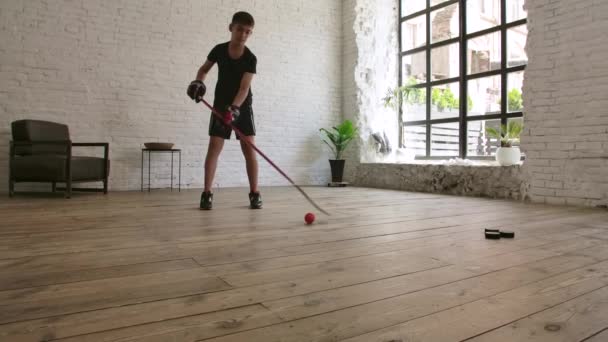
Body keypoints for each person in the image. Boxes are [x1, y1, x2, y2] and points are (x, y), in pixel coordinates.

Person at [187, 11, 262, 210]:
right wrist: (198, 83)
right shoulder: (219, 50)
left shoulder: (250, 58)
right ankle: (206, 194)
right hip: (220, 106)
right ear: (231, 28)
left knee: (249, 150)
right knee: (214, 147)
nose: (243, 35)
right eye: (240, 30)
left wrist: (235, 108)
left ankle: (255, 193)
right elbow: (203, 70)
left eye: (248, 32)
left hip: (242, 107)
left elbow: (244, 88)